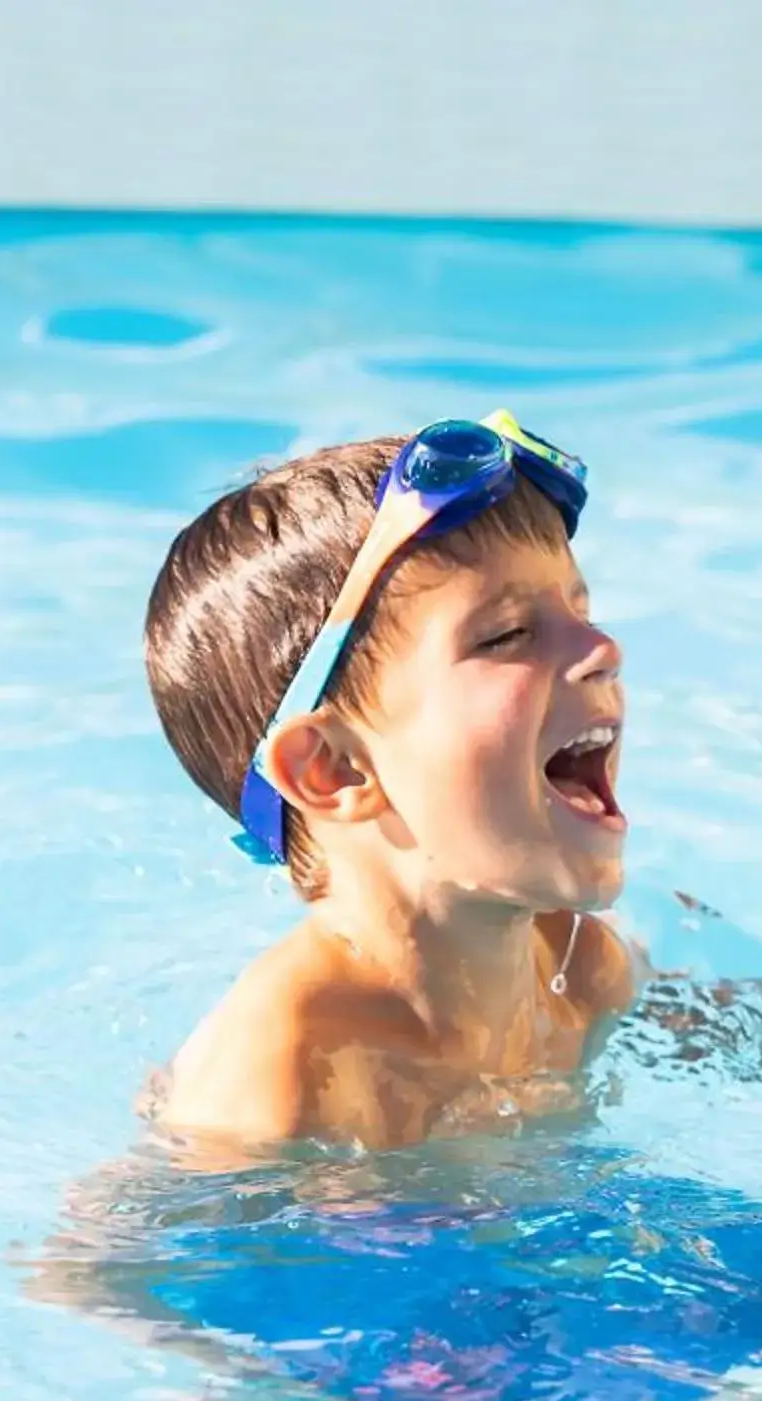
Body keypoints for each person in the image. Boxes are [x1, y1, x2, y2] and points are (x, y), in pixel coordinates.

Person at [140, 414, 636, 1153]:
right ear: (334, 769)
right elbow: (109, 1260)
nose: (602, 649)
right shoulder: (285, 1079)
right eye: (505, 636)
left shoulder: (580, 971)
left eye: (580, 611)